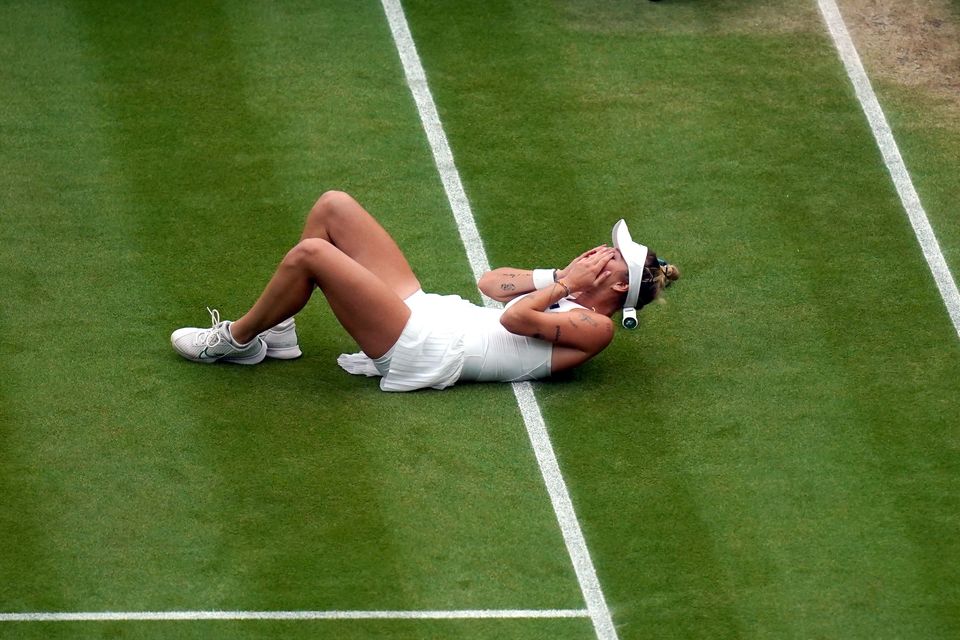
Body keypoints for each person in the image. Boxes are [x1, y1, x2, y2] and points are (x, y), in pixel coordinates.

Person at [170, 191, 679, 391]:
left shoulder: (595, 329)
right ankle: (278, 333)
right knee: (334, 208)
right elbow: (489, 284)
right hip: (427, 311)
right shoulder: (566, 292)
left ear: (616, 284)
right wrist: (556, 277)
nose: (595, 250)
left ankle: (235, 342)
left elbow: (512, 320)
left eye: (607, 255)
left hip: (424, 347)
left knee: (312, 256)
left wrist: (567, 283)